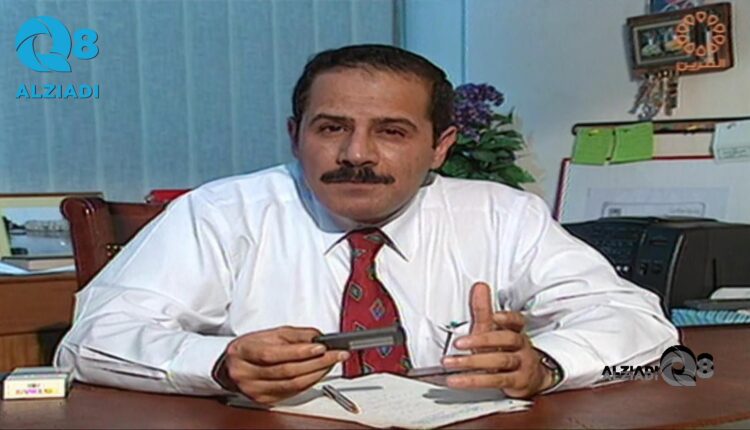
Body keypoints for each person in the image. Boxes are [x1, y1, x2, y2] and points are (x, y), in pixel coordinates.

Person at [55, 44, 678, 404]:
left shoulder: (501, 215)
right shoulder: (219, 214)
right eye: (332, 128)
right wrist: (219, 362)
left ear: (440, 147)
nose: (356, 154)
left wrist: (544, 365)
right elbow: (92, 341)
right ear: (295, 135)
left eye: (391, 131)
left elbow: (641, 326)